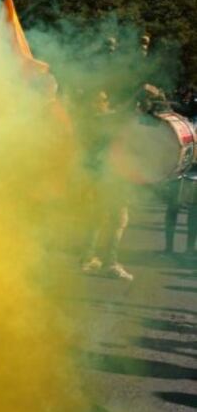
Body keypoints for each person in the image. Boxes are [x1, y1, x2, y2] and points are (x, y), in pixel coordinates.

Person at [80, 90, 134, 281]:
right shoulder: (97, 119)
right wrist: (137, 95)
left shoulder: (89, 119)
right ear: (95, 102)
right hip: (107, 178)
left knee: (98, 218)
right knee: (119, 219)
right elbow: (118, 116)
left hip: (99, 177)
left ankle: (88, 258)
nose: (106, 102)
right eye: (103, 99)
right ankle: (110, 263)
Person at [163, 164, 197, 256]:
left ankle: (188, 249)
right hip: (178, 175)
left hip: (192, 175)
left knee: (193, 215)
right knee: (172, 212)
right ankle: (169, 248)